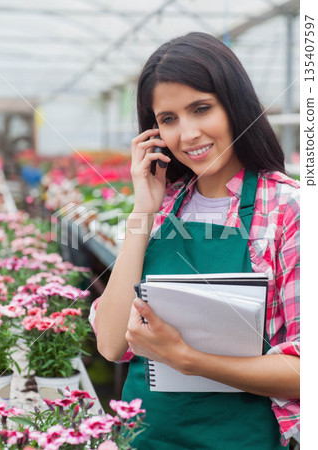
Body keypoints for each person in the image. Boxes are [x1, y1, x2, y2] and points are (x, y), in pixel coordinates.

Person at [90, 32, 300, 449]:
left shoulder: (289, 209)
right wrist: (141, 212)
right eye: (168, 119)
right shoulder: (163, 207)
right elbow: (113, 344)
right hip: (146, 437)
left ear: (234, 105)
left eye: (201, 109)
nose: (187, 134)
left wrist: (187, 360)